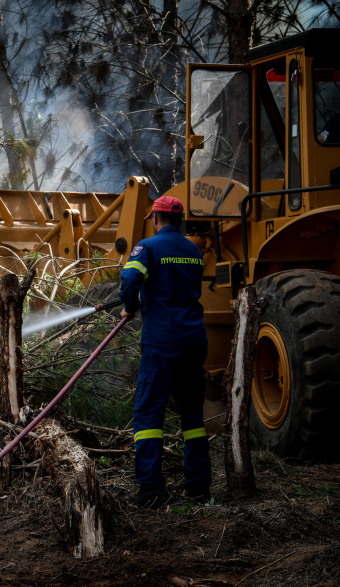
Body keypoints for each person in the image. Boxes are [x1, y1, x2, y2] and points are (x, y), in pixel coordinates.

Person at [118, 195, 211, 508]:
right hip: (194, 340)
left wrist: (130, 305)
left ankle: (151, 490)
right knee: (193, 416)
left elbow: (130, 278)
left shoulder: (148, 247)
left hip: (162, 342)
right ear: (180, 220)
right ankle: (199, 489)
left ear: (155, 219)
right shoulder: (193, 250)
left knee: (149, 413)